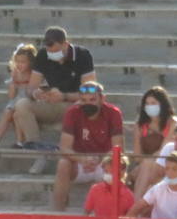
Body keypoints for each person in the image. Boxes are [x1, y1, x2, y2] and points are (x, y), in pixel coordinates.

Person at [13, 27, 97, 151]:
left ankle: (67, 149)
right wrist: (37, 94)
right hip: (52, 104)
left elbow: (91, 92)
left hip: (74, 104)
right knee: (21, 105)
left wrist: (64, 96)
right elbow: (30, 88)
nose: (52, 54)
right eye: (49, 51)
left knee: (81, 106)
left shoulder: (82, 55)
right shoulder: (42, 55)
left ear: (65, 44)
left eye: (56, 50)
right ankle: (36, 147)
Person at [53, 81, 124, 211]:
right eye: (84, 100)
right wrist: (82, 159)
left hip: (104, 163)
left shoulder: (113, 113)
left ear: (102, 99)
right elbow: (64, 147)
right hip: (80, 162)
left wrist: (101, 160)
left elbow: (118, 147)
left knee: (117, 164)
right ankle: (58, 212)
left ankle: (114, 213)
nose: (88, 104)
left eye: (92, 99)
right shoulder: (72, 113)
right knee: (63, 163)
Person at [128, 86, 177, 198]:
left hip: (165, 165)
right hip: (144, 167)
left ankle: (134, 208)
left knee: (146, 164)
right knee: (146, 167)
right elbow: (137, 156)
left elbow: (163, 152)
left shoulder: (172, 123)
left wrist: (144, 164)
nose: (150, 106)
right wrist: (142, 165)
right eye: (147, 103)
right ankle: (137, 208)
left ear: (162, 104)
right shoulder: (140, 125)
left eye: (153, 103)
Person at [0, 42, 36, 149]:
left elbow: (32, 91)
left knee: (17, 114)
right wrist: (13, 81)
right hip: (17, 98)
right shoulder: (15, 73)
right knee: (8, 111)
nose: (19, 64)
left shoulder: (33, 74)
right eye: (17, 61)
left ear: (30, 62)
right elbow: (11, 96)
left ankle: (19, 141)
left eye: (23, 62)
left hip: (29, 98)